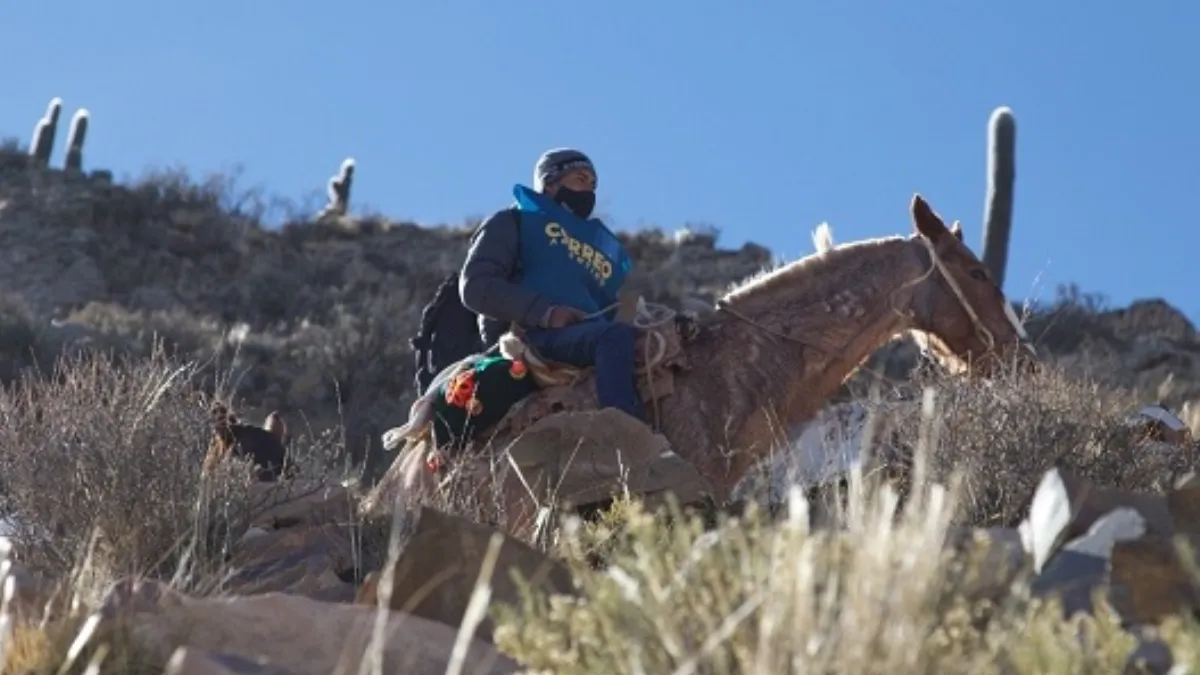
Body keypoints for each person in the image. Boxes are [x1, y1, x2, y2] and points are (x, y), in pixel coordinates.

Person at [458, 148, 645, 421]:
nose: (589, 191)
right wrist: (546, 312)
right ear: (550, 184)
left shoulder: (594, 252)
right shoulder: (512, 222)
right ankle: (624, 432)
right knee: (613, 337)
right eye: (580, 179)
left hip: (586, 338)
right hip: (529, 339)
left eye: (593, 185)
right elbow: (476, 287)